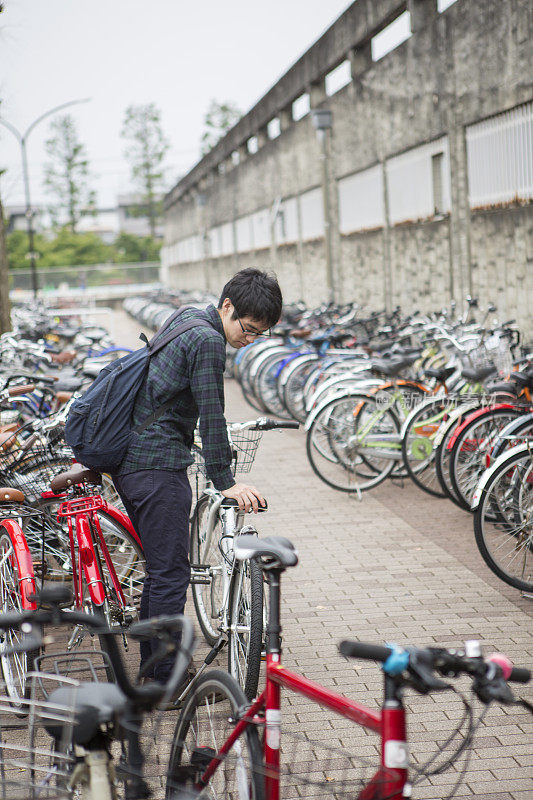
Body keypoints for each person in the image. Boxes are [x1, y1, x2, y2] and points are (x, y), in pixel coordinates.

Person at [112, 268, 283, 684]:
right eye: (249, 328)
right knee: (171, 574)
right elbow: (212, 414)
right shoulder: (208, 341)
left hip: (131, 462)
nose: (250, 339)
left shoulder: (186, 316)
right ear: (227, 306)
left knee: (159, 570)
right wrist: (226, 482)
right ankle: (166, 678)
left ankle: (155, 667)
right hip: (157, 466)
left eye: (262, 334)